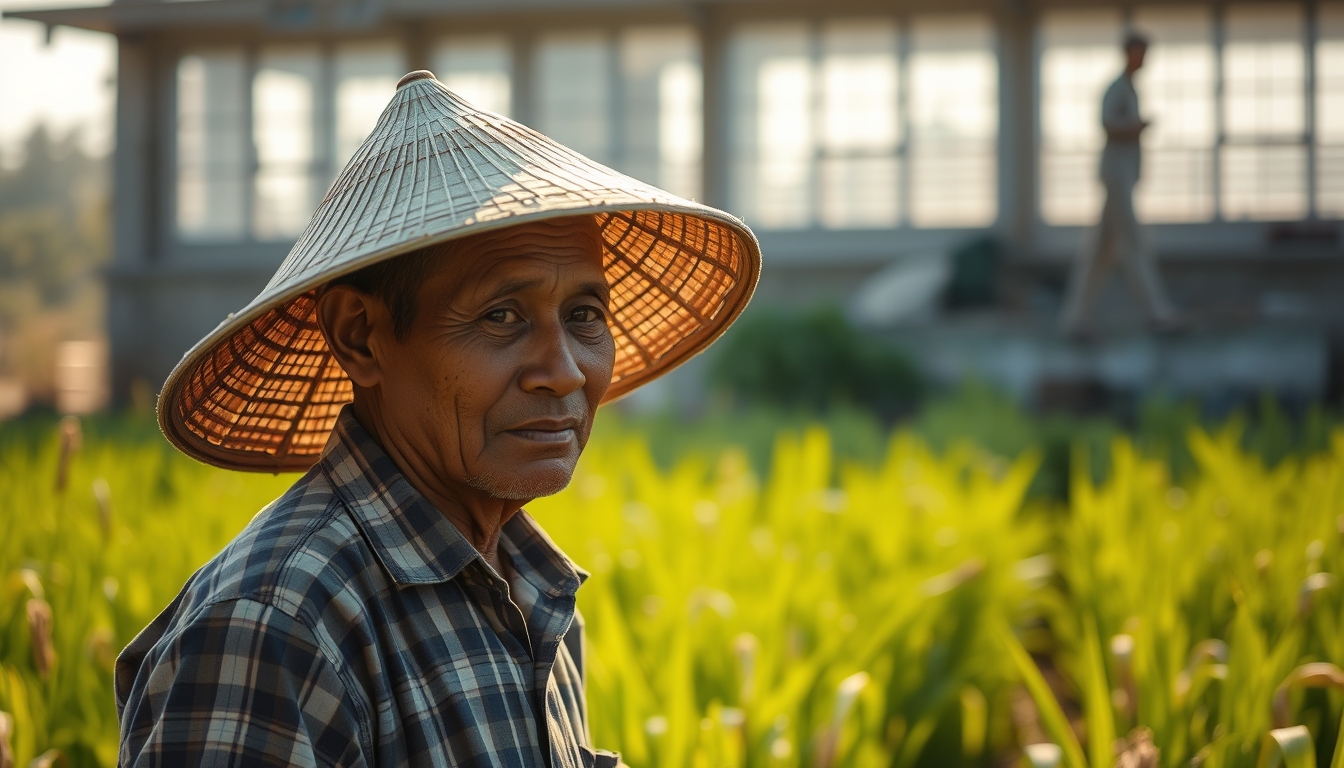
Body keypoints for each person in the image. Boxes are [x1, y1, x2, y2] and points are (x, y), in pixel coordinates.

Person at [115, 70, 761, 766]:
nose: (566, 370)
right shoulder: (279, 626)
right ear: (361, 336)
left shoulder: (530, 589)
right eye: (501, 316)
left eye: (585, 316)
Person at [1059, 31, 1179, 337]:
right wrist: (1136, 128)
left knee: (1099, 252)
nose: (1146, 59)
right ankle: (1157, 313)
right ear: (1130, 53)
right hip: (1116, 178)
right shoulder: (1117, 88)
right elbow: (1108, 124)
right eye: (1142, 52)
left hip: (1122, 178)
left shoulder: (1129, 88)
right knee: (1134, 244)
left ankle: (1076, 317)